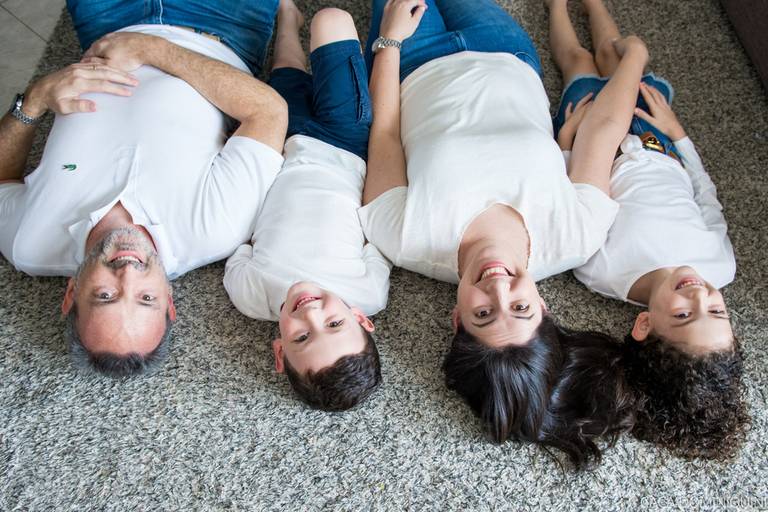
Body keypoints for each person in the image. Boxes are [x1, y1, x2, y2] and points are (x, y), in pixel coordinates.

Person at [358, 0, 647, 468]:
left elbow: (385, 132)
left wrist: (388, 42)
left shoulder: (402, 238)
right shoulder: (578, 235)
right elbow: (603, 130)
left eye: (484, 313)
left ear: (457, 320)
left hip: (413, 60)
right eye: (520, 307)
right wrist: (636, 56)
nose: (498, 287)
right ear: (544, 307)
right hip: (507, 54)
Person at [0, 0, 288, 377]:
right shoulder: (215, 230)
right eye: (146, 298)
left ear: (72, 293)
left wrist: (33, 102)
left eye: (105, 296)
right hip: (220, 27)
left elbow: (3, 179)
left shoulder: (28, 244)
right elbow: (268, 111)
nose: (127, 273)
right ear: (168, 300)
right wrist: (151, 49)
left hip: (105, 24)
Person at [547, 0, 747, 459]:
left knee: (579, 62)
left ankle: (557, 6)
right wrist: (680, 136)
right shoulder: (720, 266)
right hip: (659, 141)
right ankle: (594, 5)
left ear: (644, 324)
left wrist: (563, 145)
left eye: (684, 316)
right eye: (717, 311)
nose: (700, 295)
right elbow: (706, 199)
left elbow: (575, 196)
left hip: (598, 140)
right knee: (615, 55)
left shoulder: (600, 271)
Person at [223, 0, 390, 411]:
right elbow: (377, 239)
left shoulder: (250, 297)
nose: (311, 313)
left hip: (278, 141)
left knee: (287, 71)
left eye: (301, 336)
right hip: (345, 144)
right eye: (334, 323)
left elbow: (237, 241)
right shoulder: (369, 293)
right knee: (332, 20)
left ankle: (286, 23)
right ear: (361, 319)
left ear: (280, 351)